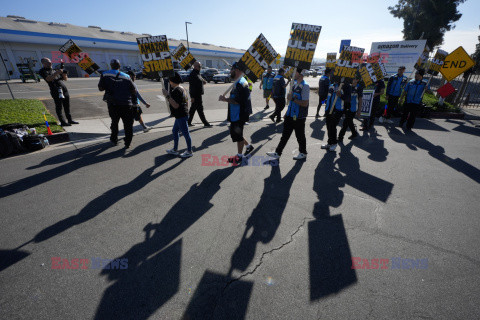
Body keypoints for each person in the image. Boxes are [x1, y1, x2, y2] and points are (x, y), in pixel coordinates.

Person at [266, 69, 310, 160]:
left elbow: (305, 103)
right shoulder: (293, 84)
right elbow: (291, 103)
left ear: (300, 74)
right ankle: (278, 153)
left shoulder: (305, 86)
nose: (293, 74)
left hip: (299, 117)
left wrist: (293, 99)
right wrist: (287, 112)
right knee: (284, 136)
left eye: (295, 72)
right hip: (290, 115)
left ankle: (303, 152)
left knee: (300, 136)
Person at [219, 62, 254, 163]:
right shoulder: (238, 81)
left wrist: (225, 99)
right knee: (237, 133)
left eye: (232, 69)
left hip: (240, 114)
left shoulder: (241, 83)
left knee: (238, 135)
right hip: (236, 113)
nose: (230, 71)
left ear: (237, 70)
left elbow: (237, 101)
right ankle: (248, 146)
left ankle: (239, 156)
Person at [98, 59, 137, 149]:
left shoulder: (104, 74)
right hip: (126, 103)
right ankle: (128, 143)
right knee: (128, 124)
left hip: (113, 104)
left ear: (111, 66)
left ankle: (114, 139)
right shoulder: (126, 76)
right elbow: (134, 90)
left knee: (114, 122)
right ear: (119, 66)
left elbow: (101, 88)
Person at [39, 57, 78, 126]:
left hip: (64, 89)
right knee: (59, 106)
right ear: (43, 63)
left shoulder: (54, 70)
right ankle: (63, 122)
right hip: (55, 90)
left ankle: (70, 120)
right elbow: (48, 79)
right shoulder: (43, 71)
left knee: (67, 106)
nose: (50, 63)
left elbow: (65, 79)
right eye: (48, 62)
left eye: (50, 61)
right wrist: (57, 72)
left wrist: (64, 74)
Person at [162, 72, 193, 158]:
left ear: (172, 81)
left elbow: (175, 105)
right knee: (175, 131)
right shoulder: (182, 88)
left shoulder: (176, 90)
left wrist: (167, 96)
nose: (169, 82)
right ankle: (175, 149)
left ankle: (189, 151)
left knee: (185, 133)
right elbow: (186, 102)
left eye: (170, 81)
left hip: (181, 115)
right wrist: (187, 112)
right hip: (182, 114)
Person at [322, 79, 350, 151]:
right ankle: (330, 142)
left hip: (338, 110)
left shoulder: (345, 86)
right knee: (328, 126)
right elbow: (328, 97)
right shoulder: (332, 85)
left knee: (332, 126)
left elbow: (347, 98)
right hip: (329, 109)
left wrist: (341, 95)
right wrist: (325, 107)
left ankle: (334, 143)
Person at [188, 61, 212, 127]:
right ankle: (205, 123)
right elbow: (192, 87)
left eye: (200, 66)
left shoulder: (198, 74)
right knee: (199, 109)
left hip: (198, 94)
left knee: (193, 110)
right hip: (195, 95)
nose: (200, 67)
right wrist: (192, 96)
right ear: (195, 67)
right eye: (199, 66)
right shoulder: (193, 74)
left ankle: (188, 122)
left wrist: (203, 81)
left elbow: (199, 81)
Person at [338, 77, 362, 141]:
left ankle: (340, 137)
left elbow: (360, 99)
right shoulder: (349, 86)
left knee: (346, 123)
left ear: (357, 80)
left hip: (353, 108)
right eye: (352, 78)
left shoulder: (359, 88)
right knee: (349, 121)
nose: (353, 80)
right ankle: (354, 133)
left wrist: (359, 110)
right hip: (347, 107)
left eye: (354, 78)